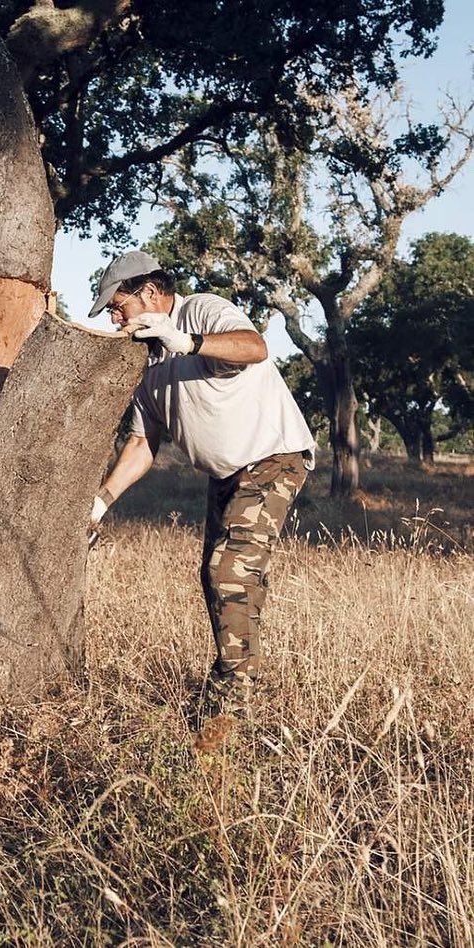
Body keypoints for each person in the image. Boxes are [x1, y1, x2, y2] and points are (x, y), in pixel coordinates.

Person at [87, 251, 315, 746]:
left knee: (228, 570)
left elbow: (254, 348)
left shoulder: (201, 311)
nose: (113, 317)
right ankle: (234, 679)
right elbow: (142, 444)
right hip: (226, 476)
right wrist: (100, 503)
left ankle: (232, 710)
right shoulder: (145, 363)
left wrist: (185, 341)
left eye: (117, 305)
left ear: (149, 293)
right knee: (220, 576)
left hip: (273, 457)